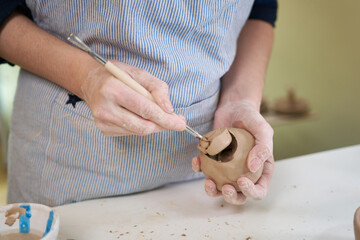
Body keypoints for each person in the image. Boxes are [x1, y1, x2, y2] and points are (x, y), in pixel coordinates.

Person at [0, 0, 277, 207]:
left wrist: (240, 99)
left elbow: (260, 8)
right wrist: (85, 76)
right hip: (67, 164)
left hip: (198, 178)